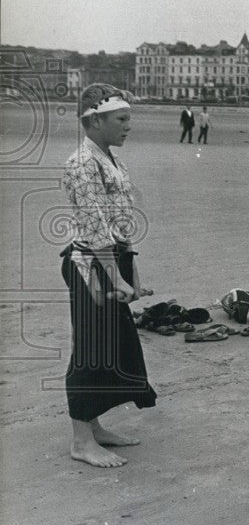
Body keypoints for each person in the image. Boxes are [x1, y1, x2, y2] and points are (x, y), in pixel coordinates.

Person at [61, 84, 157, 467]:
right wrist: (115, 277)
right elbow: (94, 224)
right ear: (94, 120)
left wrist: (132, 270)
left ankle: (94, 426)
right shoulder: (81, 163)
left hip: (110, 261)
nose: (128, 126)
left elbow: (120, 221)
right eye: (121, 119)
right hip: (89, 265)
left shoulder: (110, 160)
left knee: (112, 346)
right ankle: (81, 441)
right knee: (91, 349)